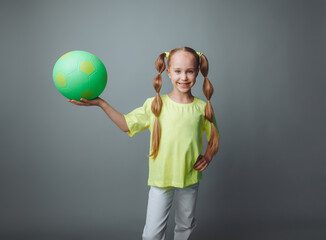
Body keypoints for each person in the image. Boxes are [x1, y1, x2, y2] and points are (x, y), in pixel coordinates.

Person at [69, 46, 220, 240]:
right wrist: (101, 103)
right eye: (178, 71)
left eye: (189, 71)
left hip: (189, 178)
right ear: (167, 72)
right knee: (153, 233)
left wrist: (208, 155)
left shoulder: (202, 107)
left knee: (185, 226)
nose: (184, 77)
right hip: (160, 179)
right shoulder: (155, 105)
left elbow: (214, 136)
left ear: (197, 72)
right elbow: (126, 124)